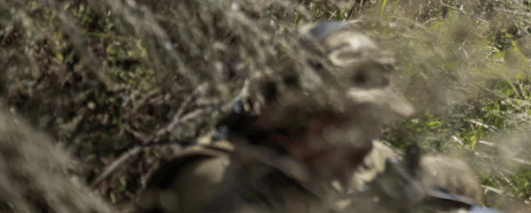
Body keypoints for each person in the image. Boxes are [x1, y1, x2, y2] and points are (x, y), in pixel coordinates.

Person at [136, 21, 482, 213]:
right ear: (301, 115)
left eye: (376, 120)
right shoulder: (218, 180)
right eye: (355, 122)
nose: (370, 138)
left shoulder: (364, 159)